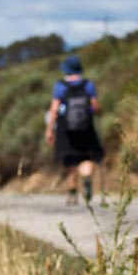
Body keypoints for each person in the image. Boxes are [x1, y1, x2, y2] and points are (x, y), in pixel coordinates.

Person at [45, 55, 104, 205]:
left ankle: (72, 194)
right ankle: (87, 179)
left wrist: (50, 129)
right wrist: (94, 110)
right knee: (86, 157)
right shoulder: (88, 84)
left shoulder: (60, 86)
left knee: (70, 160)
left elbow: (54, 109)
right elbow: (96, 107)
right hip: (86, 128)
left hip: (66, 129)